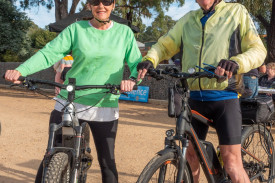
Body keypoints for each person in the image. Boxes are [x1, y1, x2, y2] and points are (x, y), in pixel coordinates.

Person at [4, 0, 142, 182]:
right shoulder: (76, 29)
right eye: (95, 1)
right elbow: (49, 53)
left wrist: (132, 80)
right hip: (70, 101)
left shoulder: (124, 33)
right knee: (51, 155)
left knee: (107, 162)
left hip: (104, 105)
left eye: (107, 1)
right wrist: (21, 70)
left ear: (114, 5)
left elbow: (137, 65)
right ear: (89, 5)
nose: (101, 6)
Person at [137, 0, 266, 182]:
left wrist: (236, 62)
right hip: (194, 98)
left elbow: (258, 50)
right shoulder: (188, 20)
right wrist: (151, 59)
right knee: (190, 157)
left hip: (225, 96)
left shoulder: (236, 12)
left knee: (232, 163)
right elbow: (165, 45)